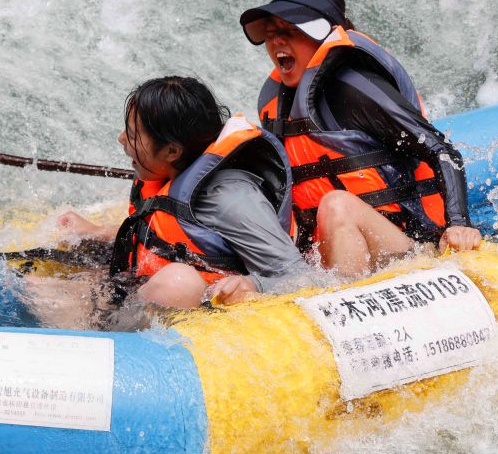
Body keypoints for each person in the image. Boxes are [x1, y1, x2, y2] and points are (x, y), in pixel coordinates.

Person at [239, 0, 482, 278]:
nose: (276, 42)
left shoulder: (355, 87)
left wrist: (459, 222)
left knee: (337, 205)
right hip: (332, 256)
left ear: (322, 35)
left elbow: (441, 150)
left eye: (290, 31)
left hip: (408, 248)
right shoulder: (276, 102)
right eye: (271, 33)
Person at [58, 76, 310, 310]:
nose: (121, 139)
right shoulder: (168, 172)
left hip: (200, 319)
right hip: (140, 290)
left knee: (179, 281)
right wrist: (96, 233)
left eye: (133, 135)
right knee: (35, 285)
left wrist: (254, 286)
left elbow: (302, 278)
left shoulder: (228, 197)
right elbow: (171, 239)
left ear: (171, 151)